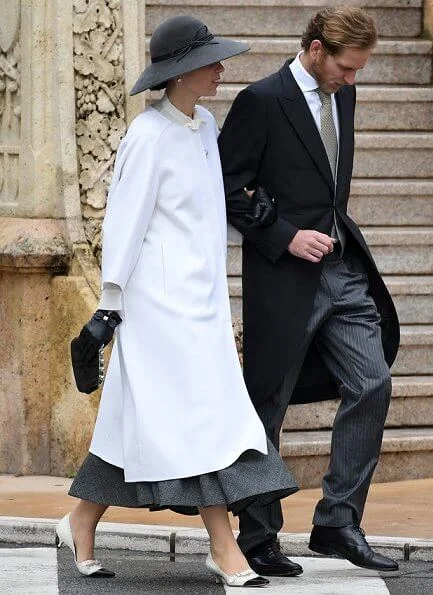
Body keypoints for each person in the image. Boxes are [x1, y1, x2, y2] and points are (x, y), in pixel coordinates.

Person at [57, 15, 298, 588]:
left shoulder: (205, 125)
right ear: (183, 71)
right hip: (159, 311)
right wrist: (109, 308)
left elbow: (206, 217)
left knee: (134, 428)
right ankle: (224, 547)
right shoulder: (147, 136)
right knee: (203, 425)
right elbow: (124, 226)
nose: (221, 68)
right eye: (211, 60)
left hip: (202, 305)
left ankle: (78, 522)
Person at [218, 5, 400, 577]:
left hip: (342, 270)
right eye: (347, 68)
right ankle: (258, 536)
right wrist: (284, 236)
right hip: (282, 276)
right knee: (268, 402)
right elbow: (224, 187)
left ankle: (338, 522)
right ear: (317, 48)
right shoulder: (261, 101)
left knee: (373, 382)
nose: (353, 80)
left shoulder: (341, 92)